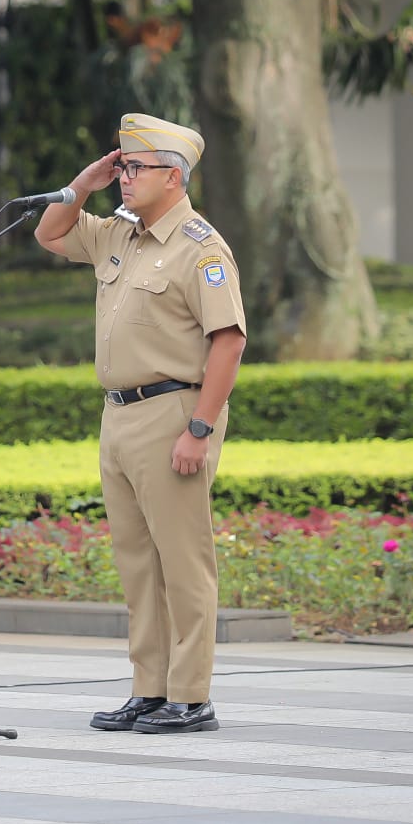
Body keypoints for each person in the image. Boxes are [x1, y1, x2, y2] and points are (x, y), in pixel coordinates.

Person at [33, 113, 247, 734]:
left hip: (173, 412)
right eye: (121, 165)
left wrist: (200, 430)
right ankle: (149, 689)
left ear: (174, 178)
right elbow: (50, 232)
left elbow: (229, 343)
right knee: (137, 563)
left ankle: (192, 693)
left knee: (183, 560)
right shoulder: (119, 235)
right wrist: (87, 182)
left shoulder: (202, 248)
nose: (124, 177)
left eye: (136, 167)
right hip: (119, 416)